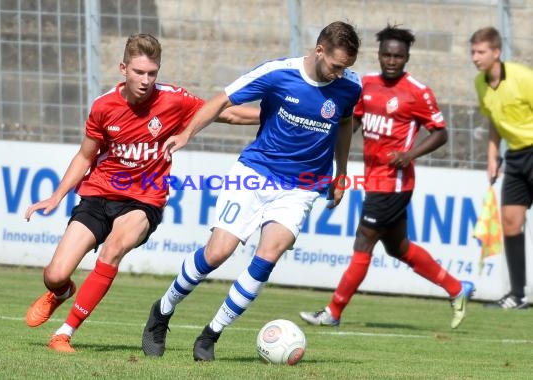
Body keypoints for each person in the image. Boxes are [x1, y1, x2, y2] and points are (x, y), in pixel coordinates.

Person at [23, 33, 259, 353]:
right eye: (139, 72)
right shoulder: (104, 107)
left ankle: (63, 334)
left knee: (113, 249)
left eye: (152, 73)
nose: (146, 81)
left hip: (144, 200)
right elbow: (85, 156)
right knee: (54, 274)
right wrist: (57, 195)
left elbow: (223, 112)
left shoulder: (174, 100)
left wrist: (269, 115)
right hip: (99, 194)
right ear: (123, 68)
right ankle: (61, 292)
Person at [141, 21, 363, 361]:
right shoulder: (278, 73)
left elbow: (345, 122)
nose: (339, 74)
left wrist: (342, 171)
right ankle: (162, 311)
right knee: (217, 254)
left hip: (301, 189)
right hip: (255, 175)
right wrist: (187, 135)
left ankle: (210, 336)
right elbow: (222, 99)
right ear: (319, 51)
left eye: (346, 68)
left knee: (268, 256)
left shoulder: (349, 87)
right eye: (335, 66)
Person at [299, 24, 475, 330]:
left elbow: (441, 133)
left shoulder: (417, 92)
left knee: (363, 239)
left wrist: (409, 155)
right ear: (380, 55)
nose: (391, 61)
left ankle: (334, 311)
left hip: (393, 184)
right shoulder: (365, 84)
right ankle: (457, 288)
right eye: (386, 55)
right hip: (373, 179)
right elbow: (352, 123)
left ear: (406, 58)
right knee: (398, 248)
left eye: (398, 56)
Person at [470, 26, 533, 309]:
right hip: (517, 157)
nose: (475, 57)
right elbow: (494, 122)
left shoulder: (523, 78)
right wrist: (492, 155)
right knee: (510, 223)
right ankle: (517, 295)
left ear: (497, 52)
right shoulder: (480, 83)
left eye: (481, 52)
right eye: (472, 51)